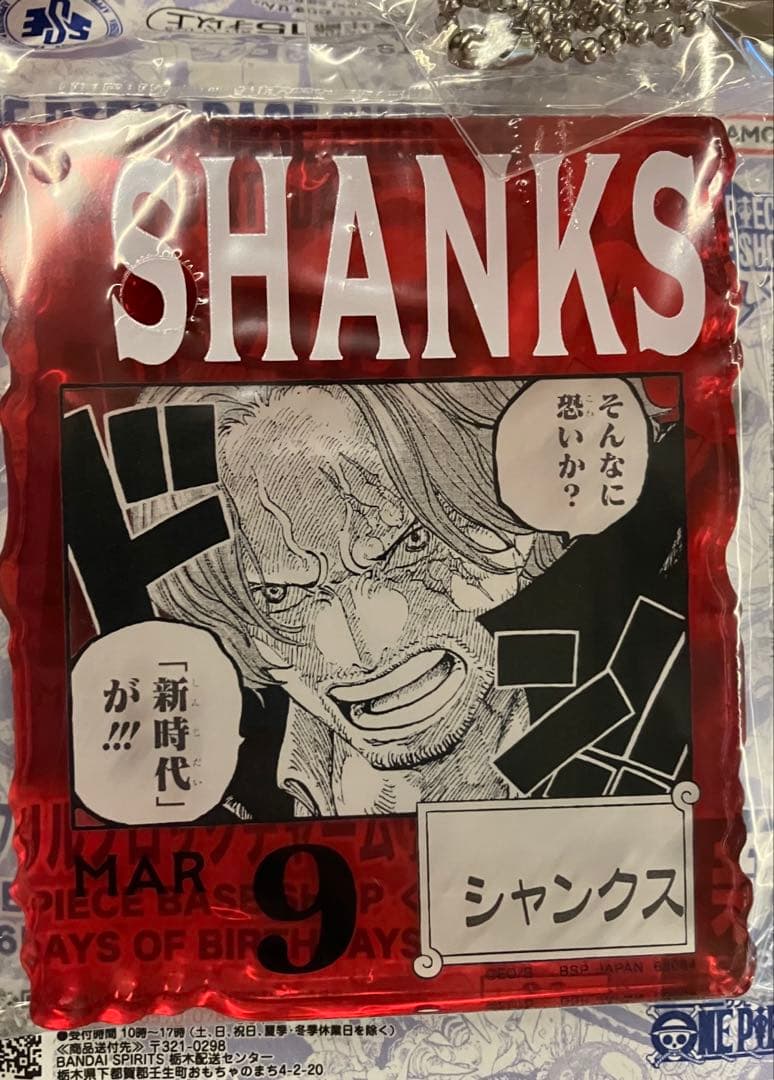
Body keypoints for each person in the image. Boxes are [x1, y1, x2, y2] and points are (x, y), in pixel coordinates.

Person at [142, 381, 564, 817]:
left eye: (411, 545)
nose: (364, 650)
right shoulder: (220, 808)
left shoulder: (602, 733)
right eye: (277, 594)